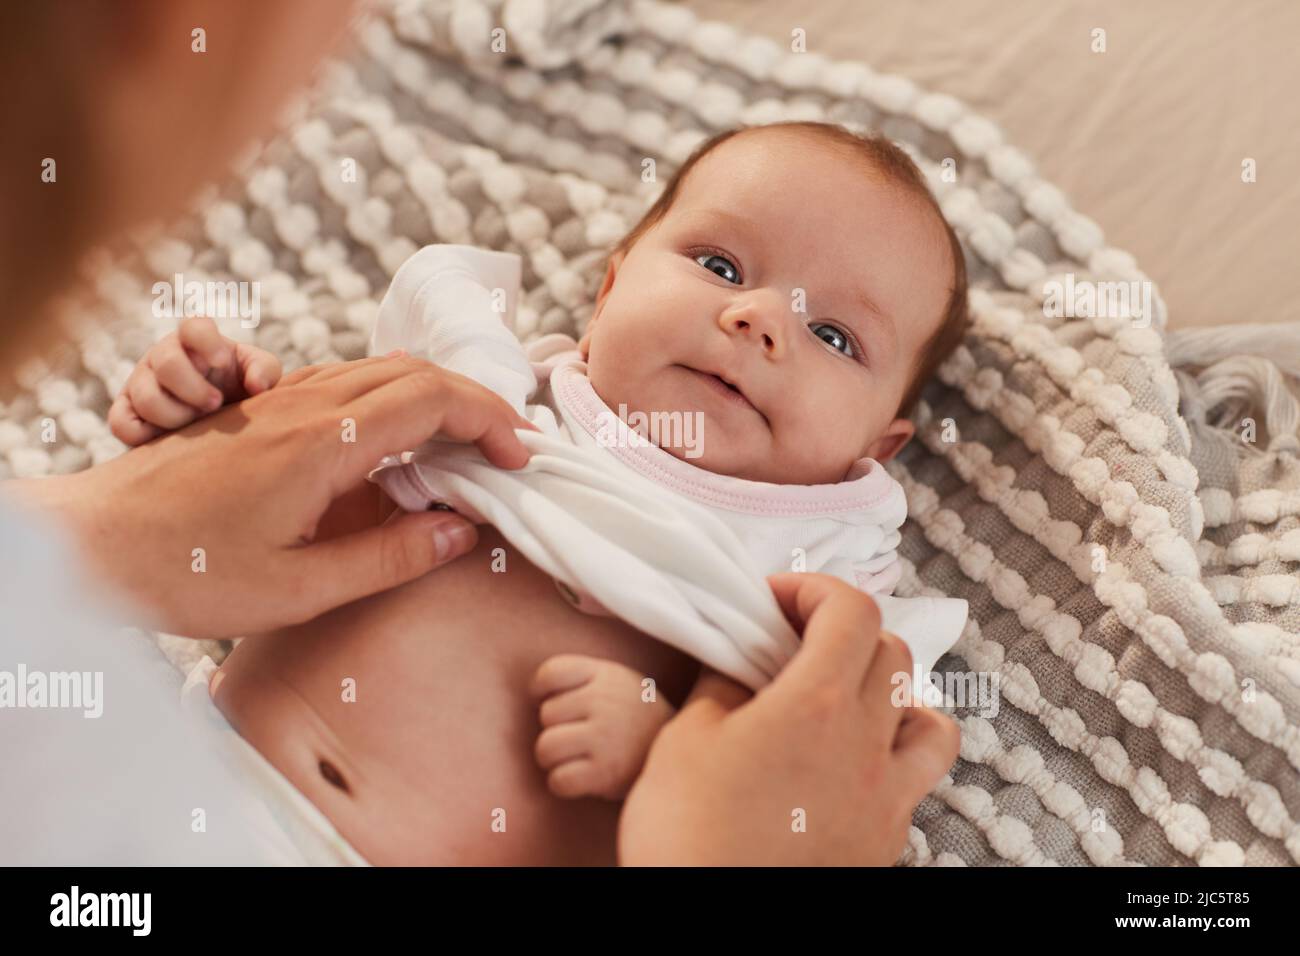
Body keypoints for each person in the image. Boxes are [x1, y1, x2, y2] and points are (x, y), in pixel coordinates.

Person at [0, 0, 958, 865]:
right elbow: (299, 548)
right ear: (611, 286)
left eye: (834, 334)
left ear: (876, 450)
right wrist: (210, 433)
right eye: (718, 262)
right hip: (202, 788)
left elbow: (785, 771)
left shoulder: (810, 576)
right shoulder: (490, 402)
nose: (760, 319)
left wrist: (655, 742)